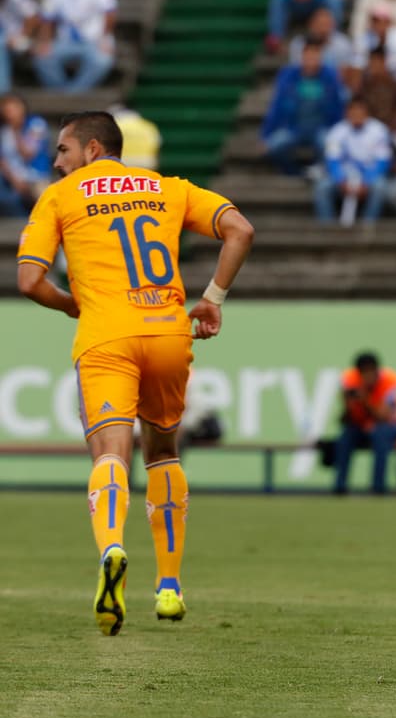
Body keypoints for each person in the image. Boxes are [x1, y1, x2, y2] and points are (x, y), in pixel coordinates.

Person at [16, 110, 255, 635]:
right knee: (164, 453)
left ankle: (112, 549)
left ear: (94, 149)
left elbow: (30, 281)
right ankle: (169, 587)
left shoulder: (60, 197)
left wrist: (69, 306)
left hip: (107, 336)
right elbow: (240, 229)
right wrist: (212, 300)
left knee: (110, 453)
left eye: (63, 150)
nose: (56, 161)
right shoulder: (168, 188)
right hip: (169, 334)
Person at [34, 0, 118, 93]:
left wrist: (105, 38)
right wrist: (44, 42)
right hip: (66, 41)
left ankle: (75, 93)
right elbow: (47, 18)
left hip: (94, 40)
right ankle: (60, 93)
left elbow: (110, 12)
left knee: (103, 60)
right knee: (42, 57)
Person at [262, 40, 346, 176]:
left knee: (329, 145)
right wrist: (266, 135)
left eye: (315, 56)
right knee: (275, 145)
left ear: (321, 57)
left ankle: (319, 170)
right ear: (302, 57)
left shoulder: (330, 77)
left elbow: (338, 107)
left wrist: (338, 134)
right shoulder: (289, 77)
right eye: (308, 56)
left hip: (321, 128)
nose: (311, 60)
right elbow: (277, 107)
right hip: (294, 128)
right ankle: (293, 172)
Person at [334, 352, 396, 495]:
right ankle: (339, 487)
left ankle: (378, 488)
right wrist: (347, 401)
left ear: (376, 370)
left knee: (380, 437)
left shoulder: (390, 381)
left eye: (370, 372)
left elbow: (383, 416)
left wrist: (365, 399)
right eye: (363, 373)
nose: (367, 377)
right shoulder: (350, 380)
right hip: (361, 425)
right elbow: (346, 417)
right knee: (344, 440)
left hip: (388, 425)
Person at [316, 97, 393, 224]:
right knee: (322, 188)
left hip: (370, 175)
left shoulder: (379, 130)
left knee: (380, 186)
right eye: (353, 111)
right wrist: (341, 181)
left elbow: (382, 161)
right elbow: (332, 160)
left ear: (367, 113)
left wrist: (366, 182)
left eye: (360, 111)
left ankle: (368, 225)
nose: (357, 115)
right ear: (347, 113)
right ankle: (326, 227)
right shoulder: (337, 131)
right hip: (344, 175)